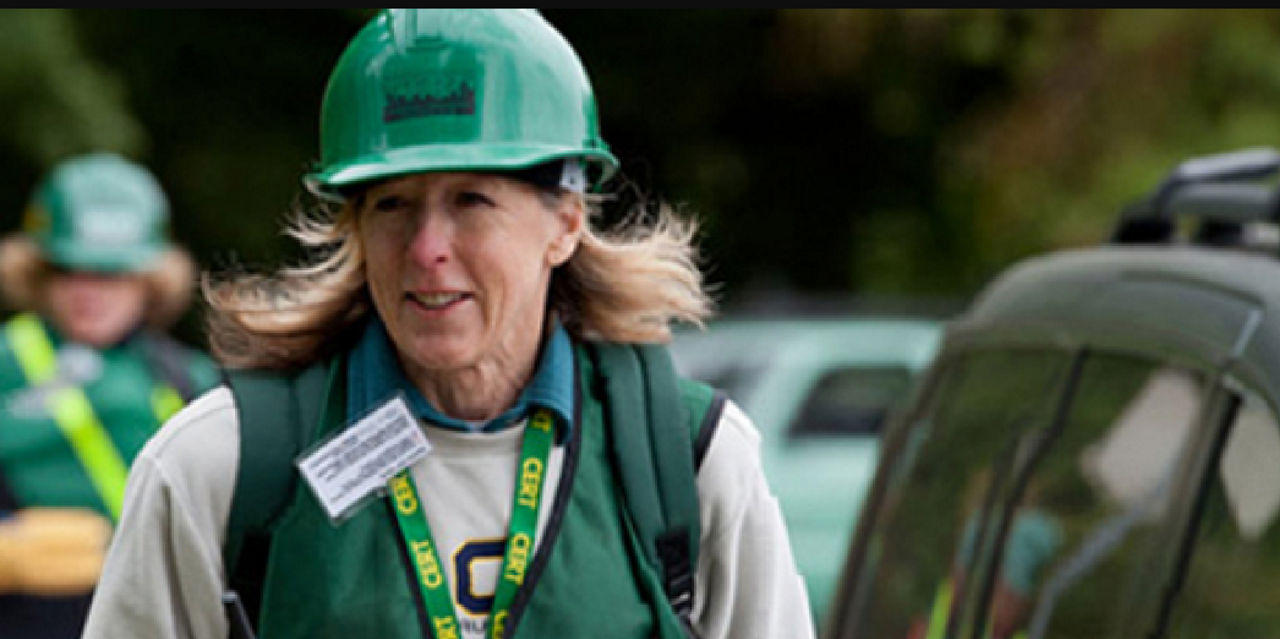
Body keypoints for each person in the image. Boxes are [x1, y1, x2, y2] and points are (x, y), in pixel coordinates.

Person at [82, 9, 814, 639]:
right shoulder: (220, 465)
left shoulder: (688, 459)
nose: (428, 249)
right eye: (392, 204)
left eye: (471, 200)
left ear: (563, 224)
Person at [0, 152, 220, 638]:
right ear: (39, 270)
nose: (89, 292)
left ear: (149, 277)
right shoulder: (5, 361)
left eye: (110, 273)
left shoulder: (191, 378)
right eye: (70, 269)